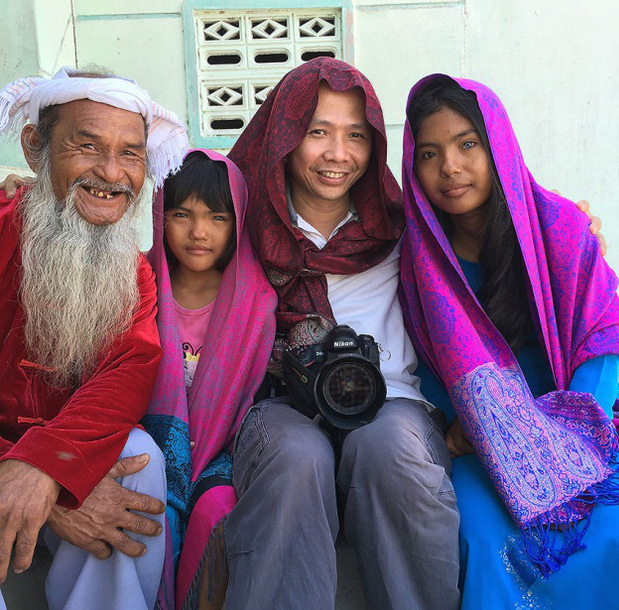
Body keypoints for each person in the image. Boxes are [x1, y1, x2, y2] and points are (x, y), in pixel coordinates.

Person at [224, 57, 461, 610]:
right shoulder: (240, 220)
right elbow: (167, 253)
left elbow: (495, 229)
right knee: (295, 454)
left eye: (356, 136)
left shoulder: (406, 224)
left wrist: (568, 221)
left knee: (388, 449)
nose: (338, 155)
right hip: (280, 404)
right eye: (317, 133)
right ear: (285, 136)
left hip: (393, 404)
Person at [399, 74, 619, 609]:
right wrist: (464, 433)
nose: (451, 168)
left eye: (468, 145)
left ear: (498, 145)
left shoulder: (564, 230)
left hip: (582, 433)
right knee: (488, 542)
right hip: (482, 444)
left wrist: (564, 439)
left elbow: (599, 346)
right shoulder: (419, 265)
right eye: (430, 154)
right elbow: (425, 372)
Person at [0, 67, 188, 609]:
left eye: (131, 154)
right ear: (36, 147)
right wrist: (33, 474)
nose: (112, 174)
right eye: (87, 146)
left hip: (43, 459)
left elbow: (125, 379)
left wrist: (49, 468)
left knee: (140, 459)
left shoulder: (136, 276)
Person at [141, 149, 276, 608]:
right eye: (182, 214)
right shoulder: (139, 284)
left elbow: (247, 402)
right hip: (147, 448)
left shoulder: (254, 302)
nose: (198, 233)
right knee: (148, 501)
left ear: (236, 221)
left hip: (221, 451)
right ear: (161, 213)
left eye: (217, 217)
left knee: (216, 510)